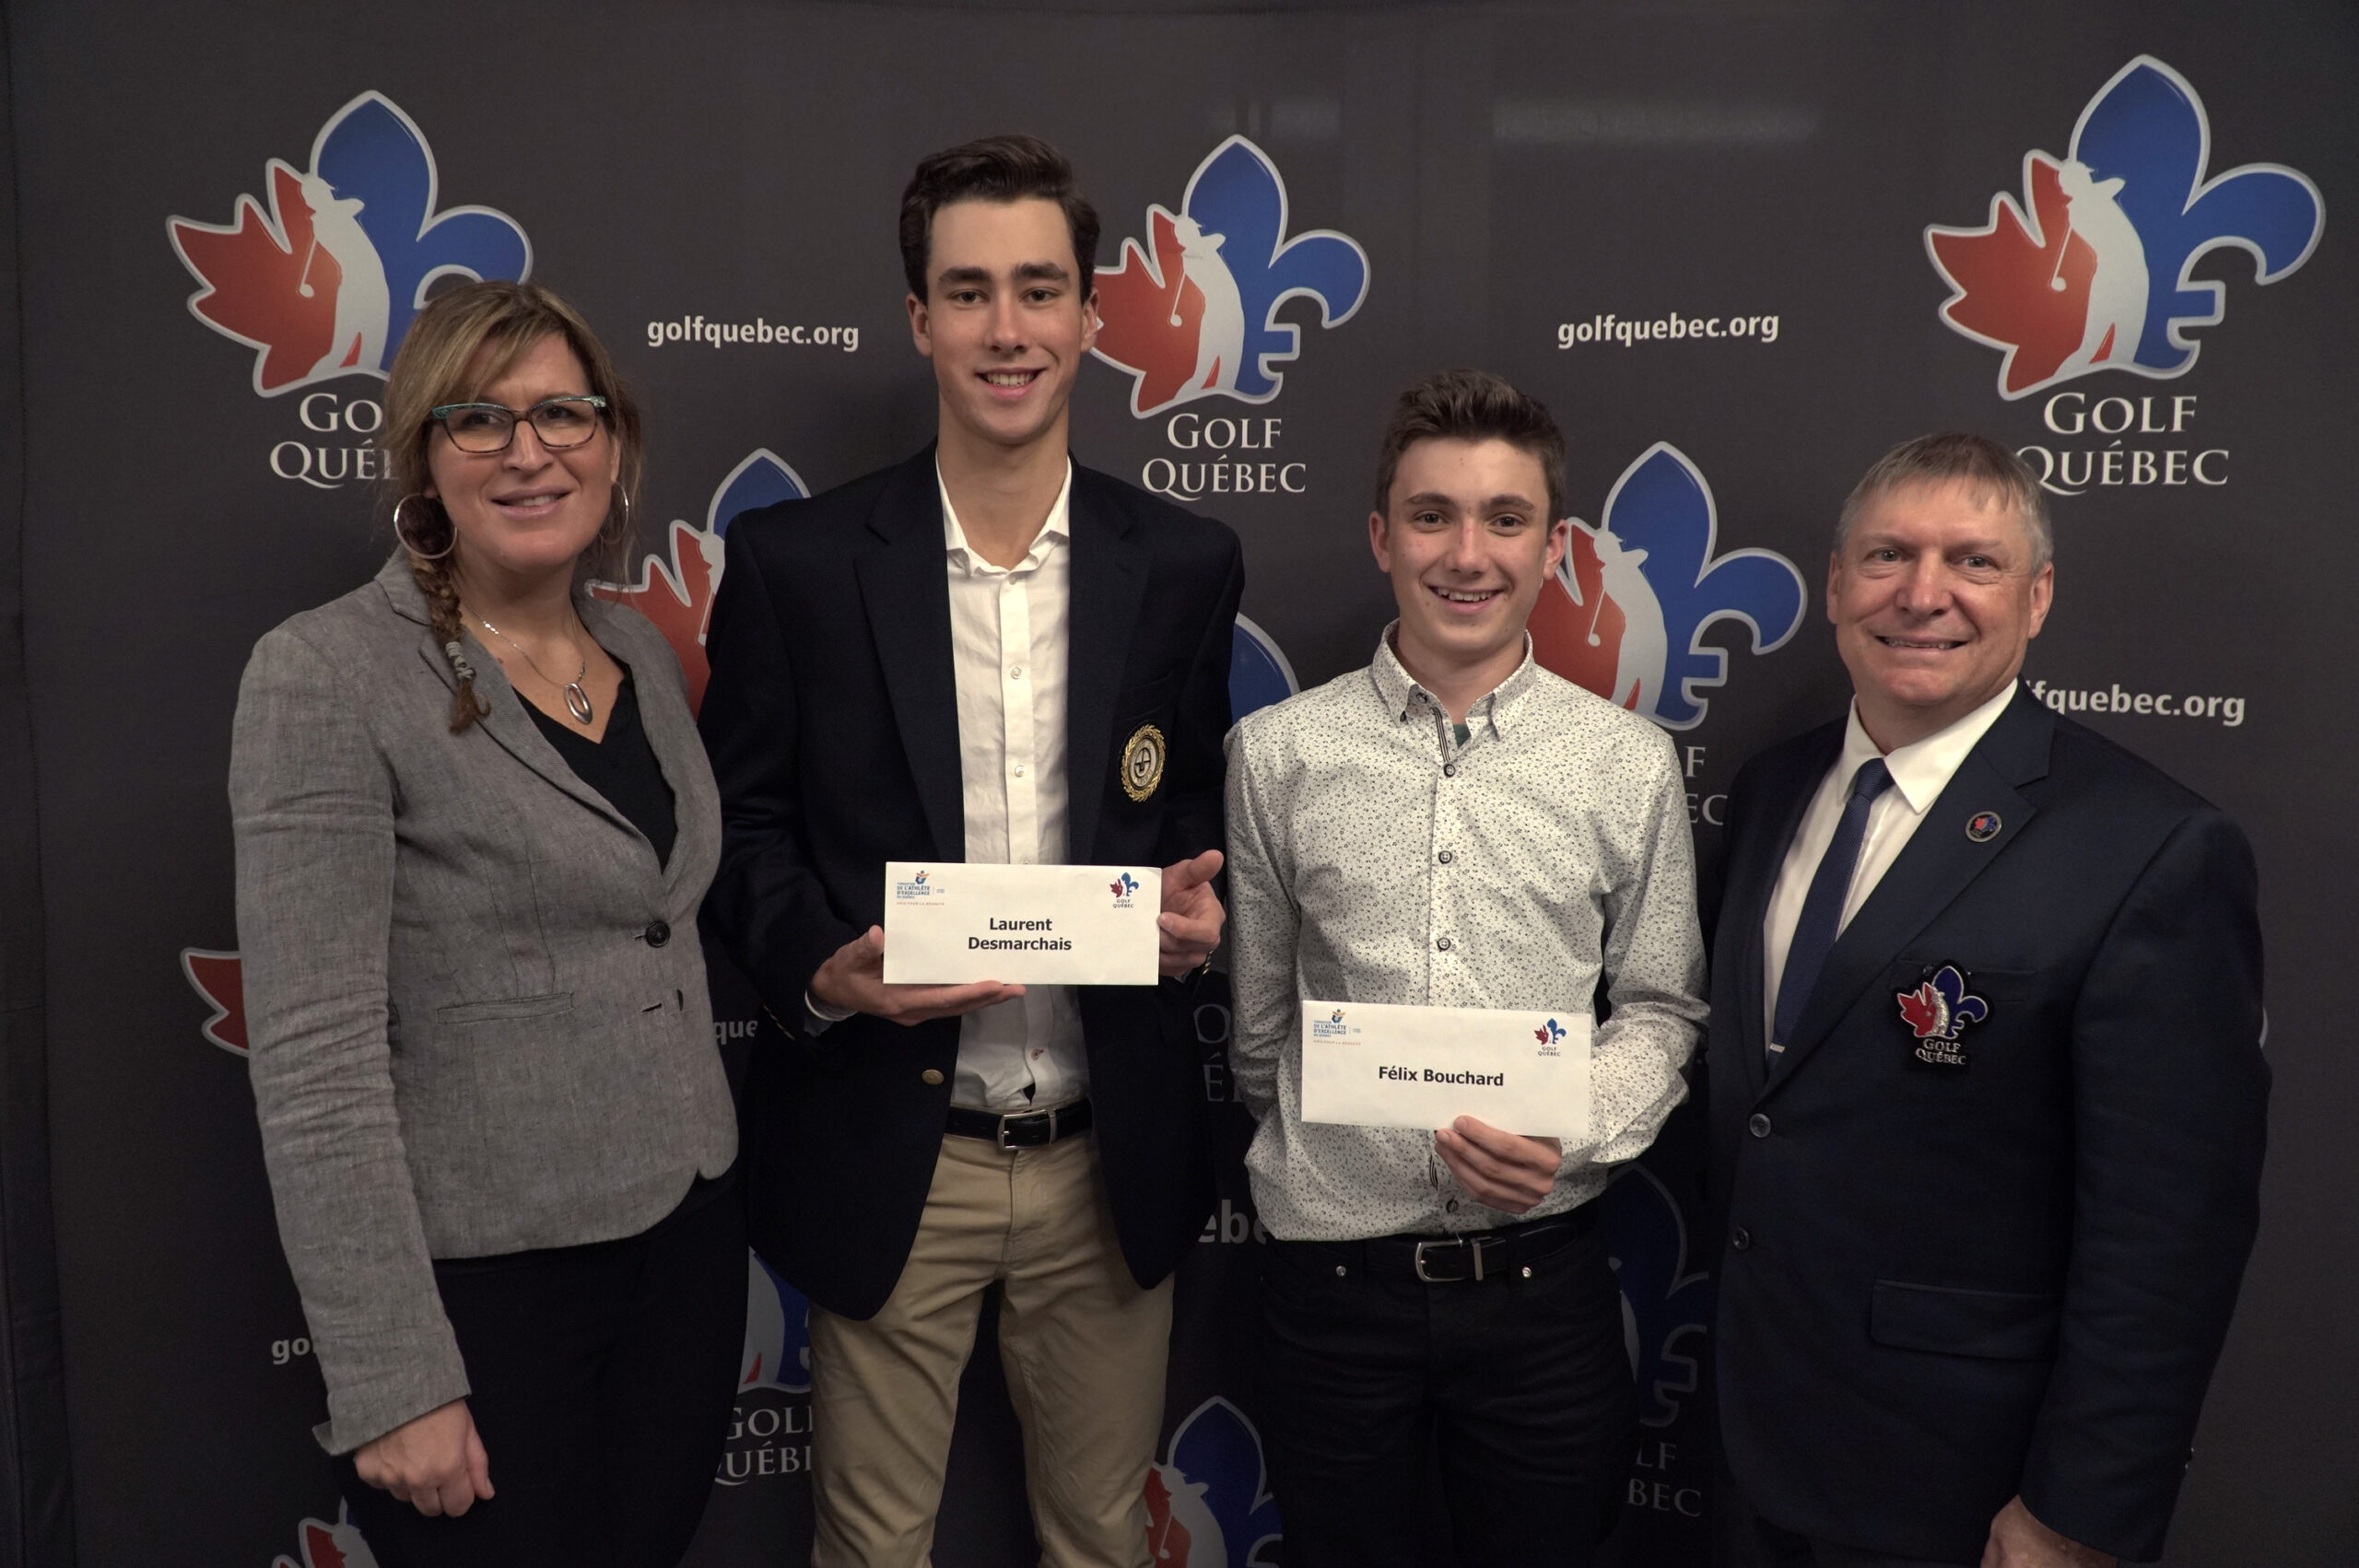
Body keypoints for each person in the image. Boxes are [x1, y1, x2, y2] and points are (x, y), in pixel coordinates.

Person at [698, 135, 1242, 1568]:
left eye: (1041, 290)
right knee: (871, 1546)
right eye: (971, 291)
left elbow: (1183, 807)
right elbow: (739, 831)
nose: (1009, 330)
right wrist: (818, 962)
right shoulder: (797, 564)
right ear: (920, 320)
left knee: (1101, 1544)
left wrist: (1195, 906)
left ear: (1091, 315)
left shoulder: (1183, 561)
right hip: (894, 1143)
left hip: (1102, 1151)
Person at [230, 280, 744, 1568]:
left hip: (683, 1249)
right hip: (488, 1300)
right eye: (480, 418)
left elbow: (652, 920)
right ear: (421, 454)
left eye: (564, 412)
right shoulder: (326, 673)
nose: (530, 451)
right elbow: (313, 1064)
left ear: (613, 445)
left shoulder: (634, 649)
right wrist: (396, 1375)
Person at [1706, 434, 2268, 1568]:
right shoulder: (1770, 790)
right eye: (1886, 556)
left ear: (2038, 596)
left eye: (1973, 561)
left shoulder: (2149, 845)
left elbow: (2167, 1234)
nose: (1922, 594)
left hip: (1962, 1487)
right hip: (1745, 1444)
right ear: (1832, 584)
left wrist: (2080, 1509)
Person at [1223, 369, 1708, 1567]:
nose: (1467, 552)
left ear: (1553, 544)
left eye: (1505, 518)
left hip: (1543, 1289)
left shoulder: (1628, 763)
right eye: (1433, 514)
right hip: (1331, 1287)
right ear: (1384, 534)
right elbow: (1259, 1026)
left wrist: (1573, 1127)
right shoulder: (1279, 753)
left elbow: (1659, 1007)